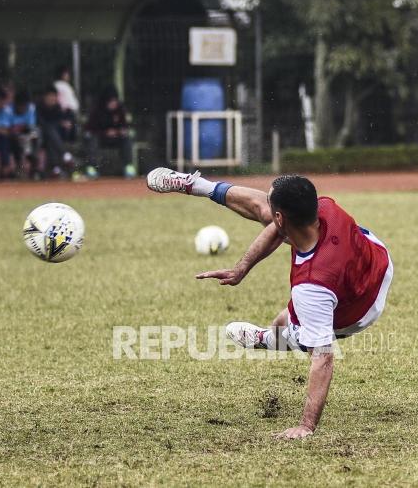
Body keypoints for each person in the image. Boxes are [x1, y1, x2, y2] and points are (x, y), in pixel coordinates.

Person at [146, 169, 393, 440]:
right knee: (279, 321)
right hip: (375, 255)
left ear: (281, 218)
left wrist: (306, 425)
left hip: (361, 307)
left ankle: (266, 339)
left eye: (274, 207)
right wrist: (241, 268)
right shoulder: (325, 207)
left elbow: (323, 359)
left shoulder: (311, 286)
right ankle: (198, 185)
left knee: (299, 335)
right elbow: (273, 224)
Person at [84, 86, 136, 179]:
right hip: (100, 138)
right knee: (92, 140)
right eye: (111, 101)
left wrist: (120, 131)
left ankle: (128, 166)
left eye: (115, 101)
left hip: (116, 138)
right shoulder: (97, 110)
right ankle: (92, 168)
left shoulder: (120, 109)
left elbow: (124, 125)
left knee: (126, 139)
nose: (114, 104)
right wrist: (104, 132)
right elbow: (89, 129)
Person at [37, 85, 74, 178]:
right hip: (40, 136)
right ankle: (65, 154)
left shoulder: (57, 107)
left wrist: (64, 124)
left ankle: (55, 168)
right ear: (45, 97)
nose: (52, 98)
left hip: (53, 138)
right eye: (50, 96)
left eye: (54, 96)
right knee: (49, 130)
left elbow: (60, 122)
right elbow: (41, 123)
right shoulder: (38, 107)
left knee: (51, 137)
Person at [10, 89, 40, 178]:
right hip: (14, 137)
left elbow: (31, 127)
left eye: (24, 105)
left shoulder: (31, 108)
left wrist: (26, 136)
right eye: (20, 106)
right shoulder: (9, 109)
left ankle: (33, 166)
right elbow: (8, 128)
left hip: (28, 136)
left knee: (35, 135)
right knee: (16, 141)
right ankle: (19, 167)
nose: (23, 108)